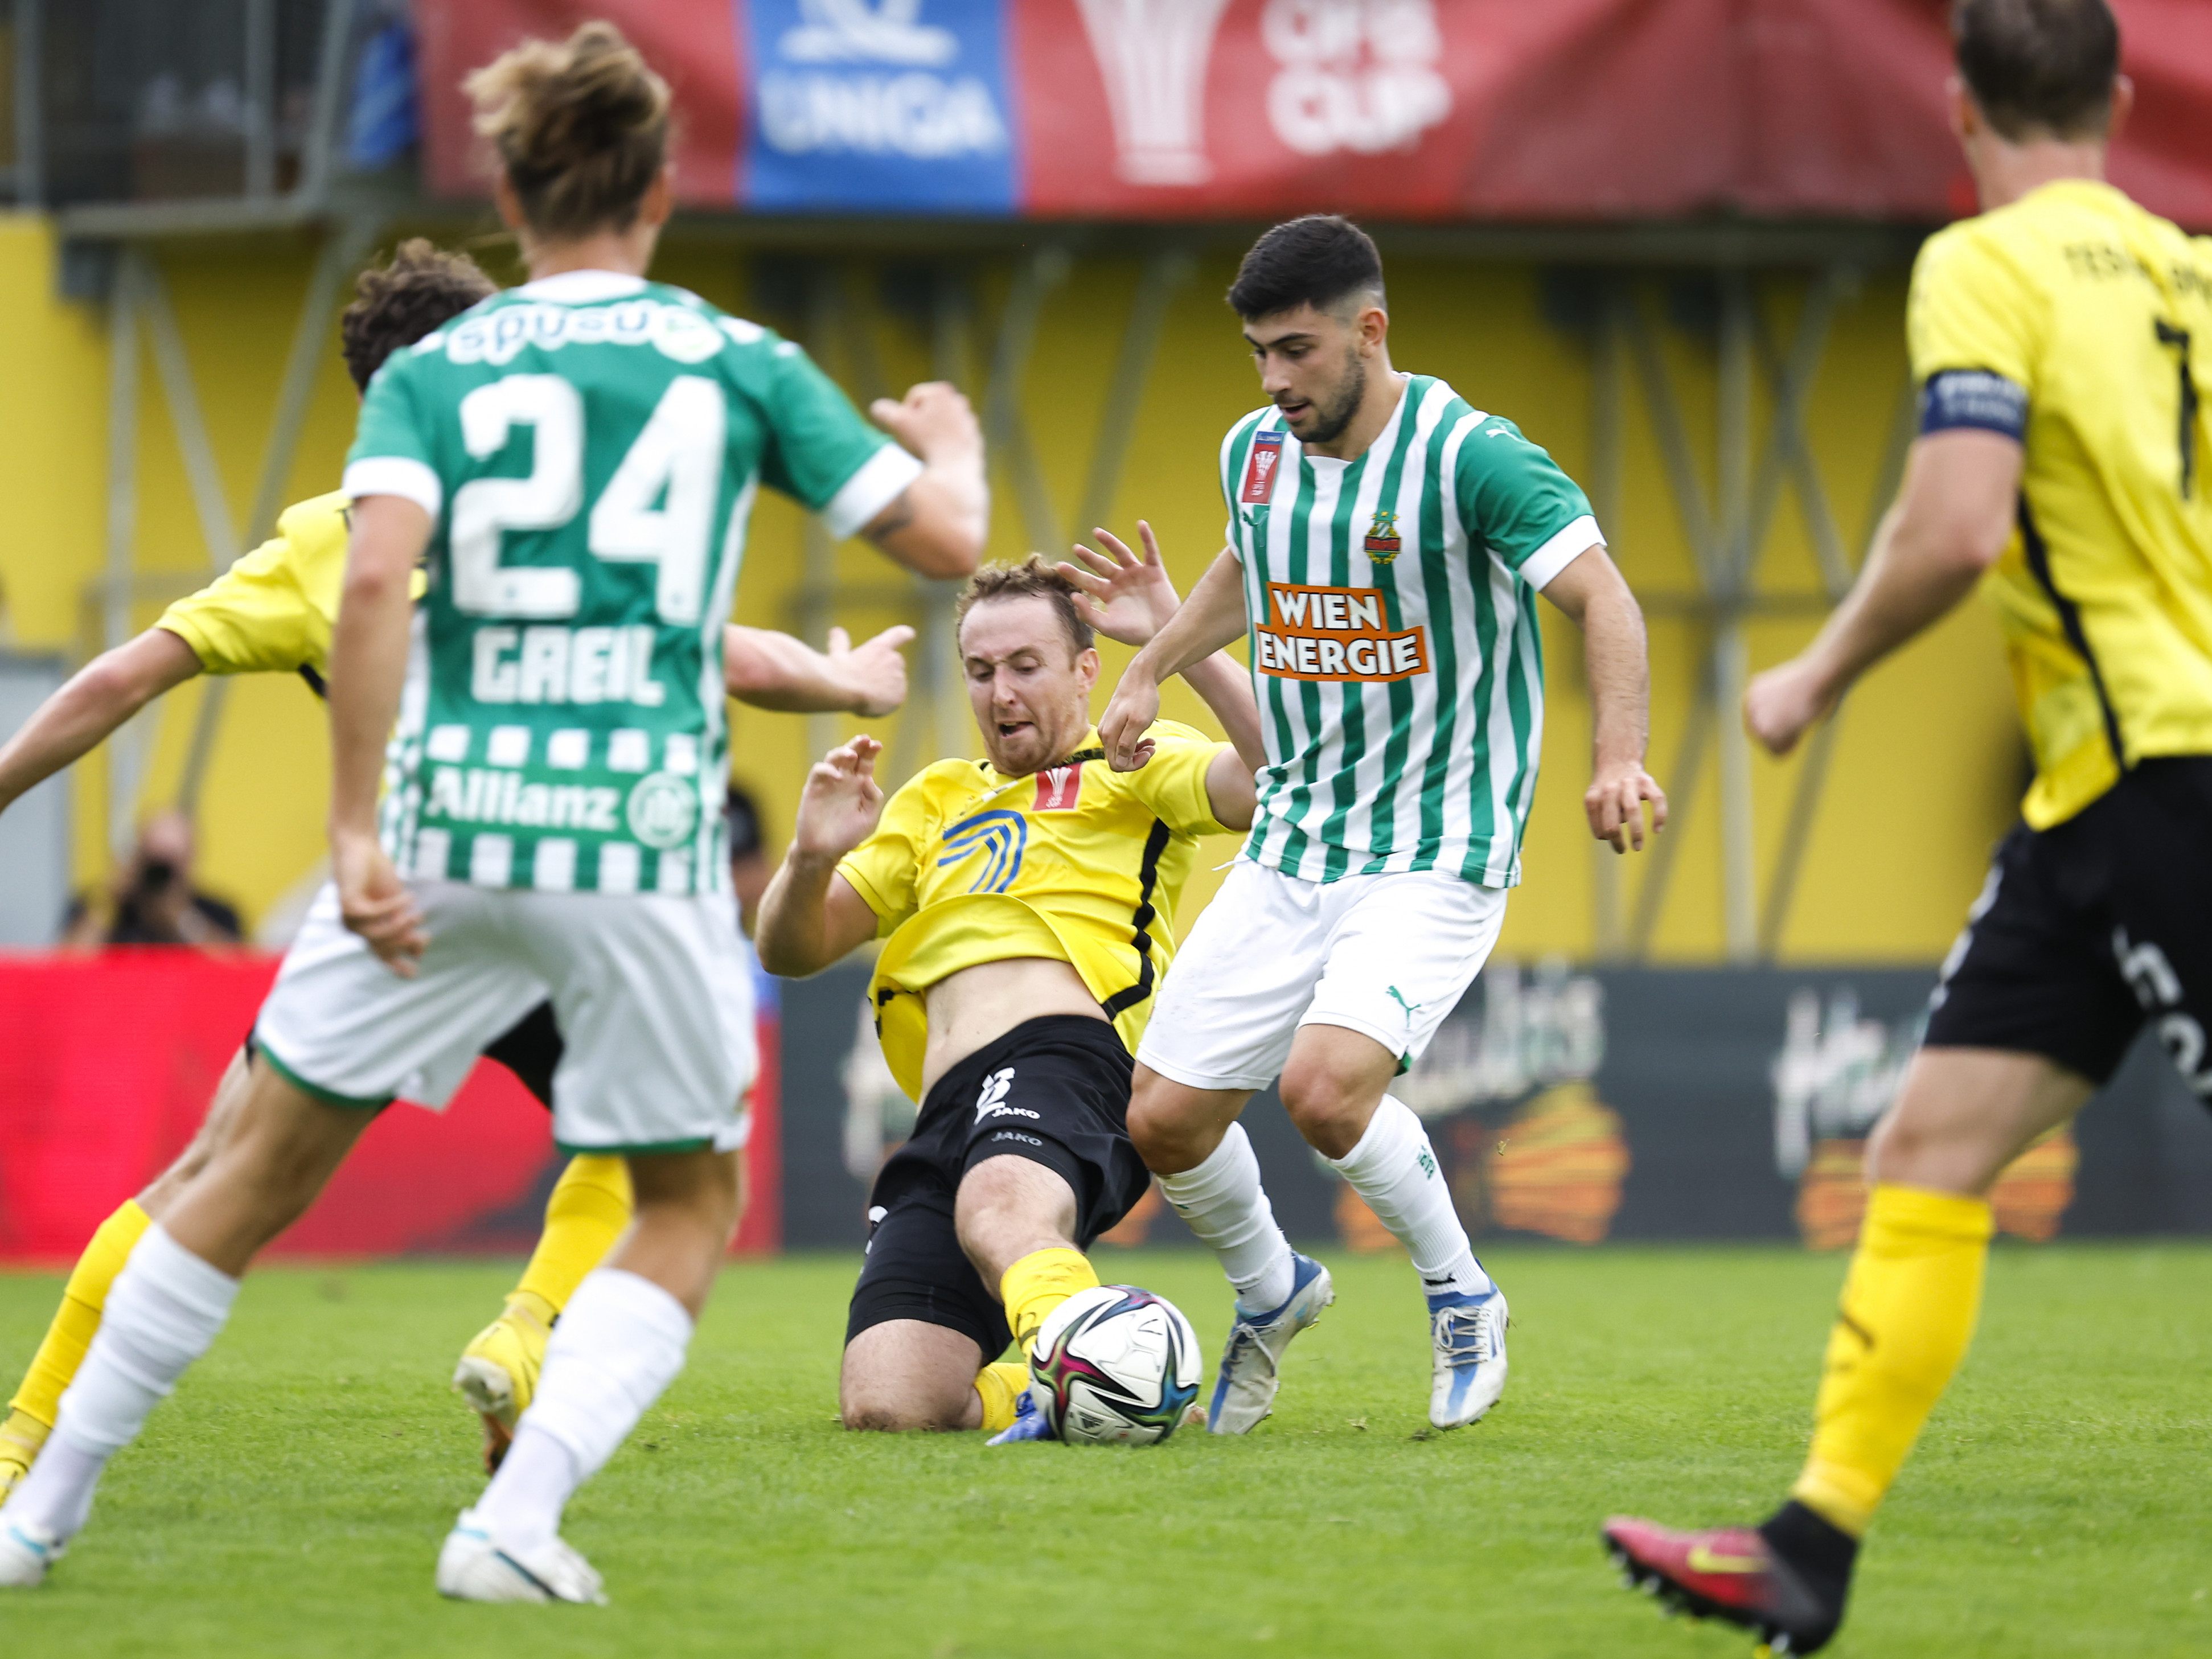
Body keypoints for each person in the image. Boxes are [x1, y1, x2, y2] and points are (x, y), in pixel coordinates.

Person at [0, 20, 986, 1601]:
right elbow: (942, 542)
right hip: (631, 851)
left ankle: (36, 1511)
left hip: (439, 845)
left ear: (509, 197)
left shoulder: (436, 381)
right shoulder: (730, 358)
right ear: (658, 190)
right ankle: (511, 1525)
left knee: (236, 1177)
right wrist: (949, 449)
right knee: (686, 1196)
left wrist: (348, 832)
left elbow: (376, 577)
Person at [1602, 3, 2212, 1651]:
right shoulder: (2187, 270)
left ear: (1954, 103)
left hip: (2167, 775)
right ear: (2120, 95)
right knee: (1924, 1152)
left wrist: (1809, 670)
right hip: (2086, 801)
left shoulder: (1983, 262)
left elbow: (1953, 525)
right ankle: (1811, 1544)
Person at [1098, 214, 1664, 1435]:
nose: (1272, 379)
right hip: (1298, 834)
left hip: (1434, 843)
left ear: (1370, 329)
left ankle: (1461, 1293)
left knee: (1322, 1089)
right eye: (1256, 351)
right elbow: (1248, 566)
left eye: (1294, 350)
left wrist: (1617, 758)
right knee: (1161, 1117)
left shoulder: (1475, 459)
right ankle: (1272, 1287)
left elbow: (1603, 597)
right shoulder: (1253, 451)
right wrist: (1150, 661)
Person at [756, 540, 1263, 1440]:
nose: (1001, 691)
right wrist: (809, 855)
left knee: (1000, 1206)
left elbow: (1277, 785)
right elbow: (792, 948)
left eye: (1026, 665)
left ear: (1085, 669)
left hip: (1070, 1057)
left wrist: (1184, 646)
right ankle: (1053, 1384)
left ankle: (1119, 1361)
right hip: (946, 1103)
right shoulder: (935, 797)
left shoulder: (1135, 758)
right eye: (981, 670)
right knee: (891, 1402)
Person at [60, 810, 243, 948]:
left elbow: (234, 970)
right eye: (154, 858)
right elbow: (66, 967)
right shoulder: (104, 907)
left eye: (172, 861)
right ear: (137, 857)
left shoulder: (218, 913)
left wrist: (182, 917)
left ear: (190, 861)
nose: (160, 872)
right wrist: (108, 902)